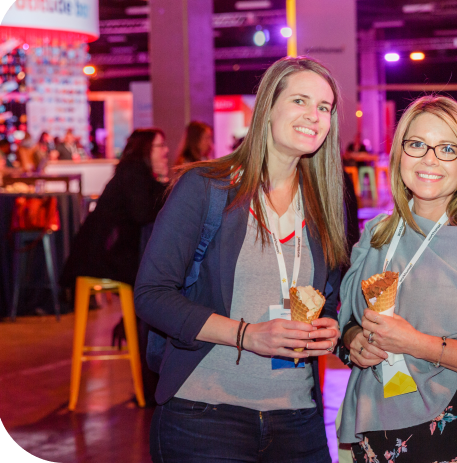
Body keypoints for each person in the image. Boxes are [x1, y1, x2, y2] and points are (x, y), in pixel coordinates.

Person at [134, 57, 347, 463]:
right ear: (267, 107)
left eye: (324, 107)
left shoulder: (325, 205)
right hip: (204, 414)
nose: (314, 116)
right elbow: (152, 294)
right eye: (300, 100)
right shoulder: (206, 187)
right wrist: (248, 335)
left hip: (298, 416)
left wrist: (331, 329)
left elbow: (329, 298)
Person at [337, 95, 457, 462]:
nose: (429, 159)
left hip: (449, 432)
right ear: (400, 153)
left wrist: (414, 343)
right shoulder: (377, 234)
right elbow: (349, 321)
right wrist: (355, 340)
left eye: (447, 148)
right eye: (417, 144)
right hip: (371, 426)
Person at [60, 129, 170, 291]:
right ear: (145, 148)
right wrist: (162, 183)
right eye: (160, 146)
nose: (166, 150)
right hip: (103, 256)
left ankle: (134, 316)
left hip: (104, 252)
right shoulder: (133, 172)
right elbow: (142, 213)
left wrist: (161, 181)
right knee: (160, 273)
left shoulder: (134, 171)